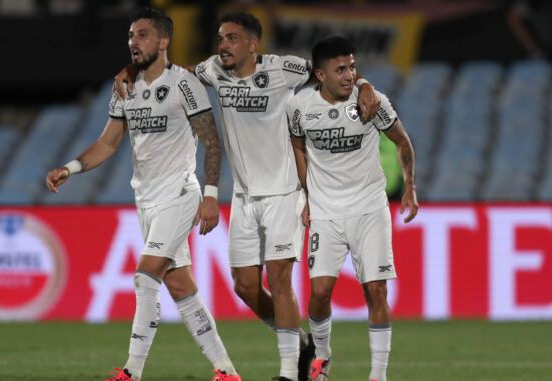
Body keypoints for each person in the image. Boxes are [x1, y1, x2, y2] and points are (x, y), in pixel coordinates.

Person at [114, 12, 382, 381]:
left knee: (279, 278)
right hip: (243, 197)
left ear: (253, 45)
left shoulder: (283, 68)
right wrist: (133, 72)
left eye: (232, 38)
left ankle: (289, 372)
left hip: (284, 193)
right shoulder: (213, 70)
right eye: (221, 37)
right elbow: (177, 73)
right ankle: (303, 344)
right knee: (245, 287)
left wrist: (364, 82)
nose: (223, 44)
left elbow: (332, 71)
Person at [45, 8, 240, 381]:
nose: (134, 41)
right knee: (180, 285)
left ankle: (132, 372)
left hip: (180, 194)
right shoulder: (125, 87)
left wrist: (211, 195)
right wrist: (69, 168)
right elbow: (108, 142)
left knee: (144, 276)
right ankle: (226, 371)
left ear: (164, 42)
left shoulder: (184, 84)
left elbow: (212, 142)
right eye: (131, 35)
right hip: (145, 199)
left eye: (143, 35)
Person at [287, 36, 418, 381]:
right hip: (326, 214)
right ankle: (323, 354)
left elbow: (402, 141)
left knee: (375, 290)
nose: (350, 75)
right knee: (319, 293)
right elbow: (298, 148)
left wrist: (410, 187)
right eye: (340, 69)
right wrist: (307, 195)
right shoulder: (300, 107)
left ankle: (378, 375)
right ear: (320, 75)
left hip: (369, 209)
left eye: (353, 68)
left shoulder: (371, 103)